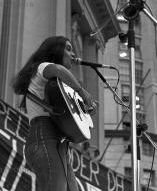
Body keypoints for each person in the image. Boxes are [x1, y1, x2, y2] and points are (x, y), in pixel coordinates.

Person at [12, 36, 97, 191]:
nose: (73, 55)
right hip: (45, 137)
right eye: (68, 49)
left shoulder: (58, 86)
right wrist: (82, 92)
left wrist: (85, 111)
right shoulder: (42, 67)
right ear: (55, 51)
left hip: (58, 143)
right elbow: (57, 70)